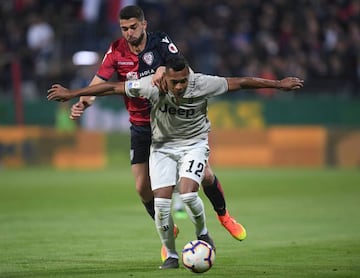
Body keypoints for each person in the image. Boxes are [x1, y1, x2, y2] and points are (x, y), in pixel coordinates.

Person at [47, 55, 304, 269]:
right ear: (164, 78)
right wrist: (73, 93)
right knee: (161, 205)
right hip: (161, 147)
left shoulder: (203, 83)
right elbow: (113, 87)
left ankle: (203, 233)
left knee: (189, 195)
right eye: (175, 82)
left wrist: (278, 85)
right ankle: (170, 254)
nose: (180, 86)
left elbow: (242, 83)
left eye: (183, 81)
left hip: (194, 145)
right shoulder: (149, 85)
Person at [70, 4, 247, 250]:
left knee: (205, 174)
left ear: (144, 25)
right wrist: (83, 102)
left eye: (133, 27)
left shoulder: (160, 42)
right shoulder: (116, 51)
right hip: (141, 126)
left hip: (170, 122)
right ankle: (167, 233)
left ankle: (224, 216)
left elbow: (180, 66)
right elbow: (101, 83)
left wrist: (163, 68)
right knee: (142, 188)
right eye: (124, 28)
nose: (129, 33)